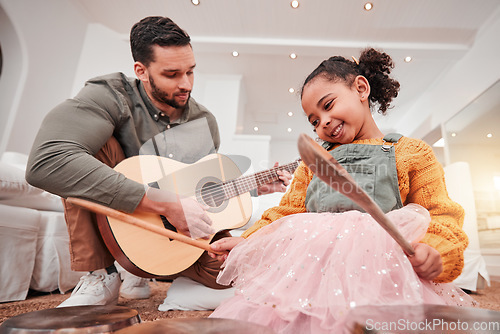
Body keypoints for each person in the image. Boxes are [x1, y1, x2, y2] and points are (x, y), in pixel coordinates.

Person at [25, 16, 290, 308]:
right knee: (85, 151)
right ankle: (102, 275)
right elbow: (47, 161)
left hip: (169, 233)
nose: (186, 84)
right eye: (172, 74)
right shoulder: (109, 95)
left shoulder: (205, 122)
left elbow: (194, 188)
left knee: (230, 269)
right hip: (117, 211)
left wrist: (251, 189)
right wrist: (162, 203)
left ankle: (144, 267)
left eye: (191, 71)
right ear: (141, 70)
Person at [208, 48, 476, 333]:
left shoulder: (410, 152)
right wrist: (248, 240)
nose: (322, 121)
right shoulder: (314, 161)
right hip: (314, 279)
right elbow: (286, 211)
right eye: (313, 120)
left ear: (361, 88)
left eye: (328, 104)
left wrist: (436, 251)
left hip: (384, 275)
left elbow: (441, 213)